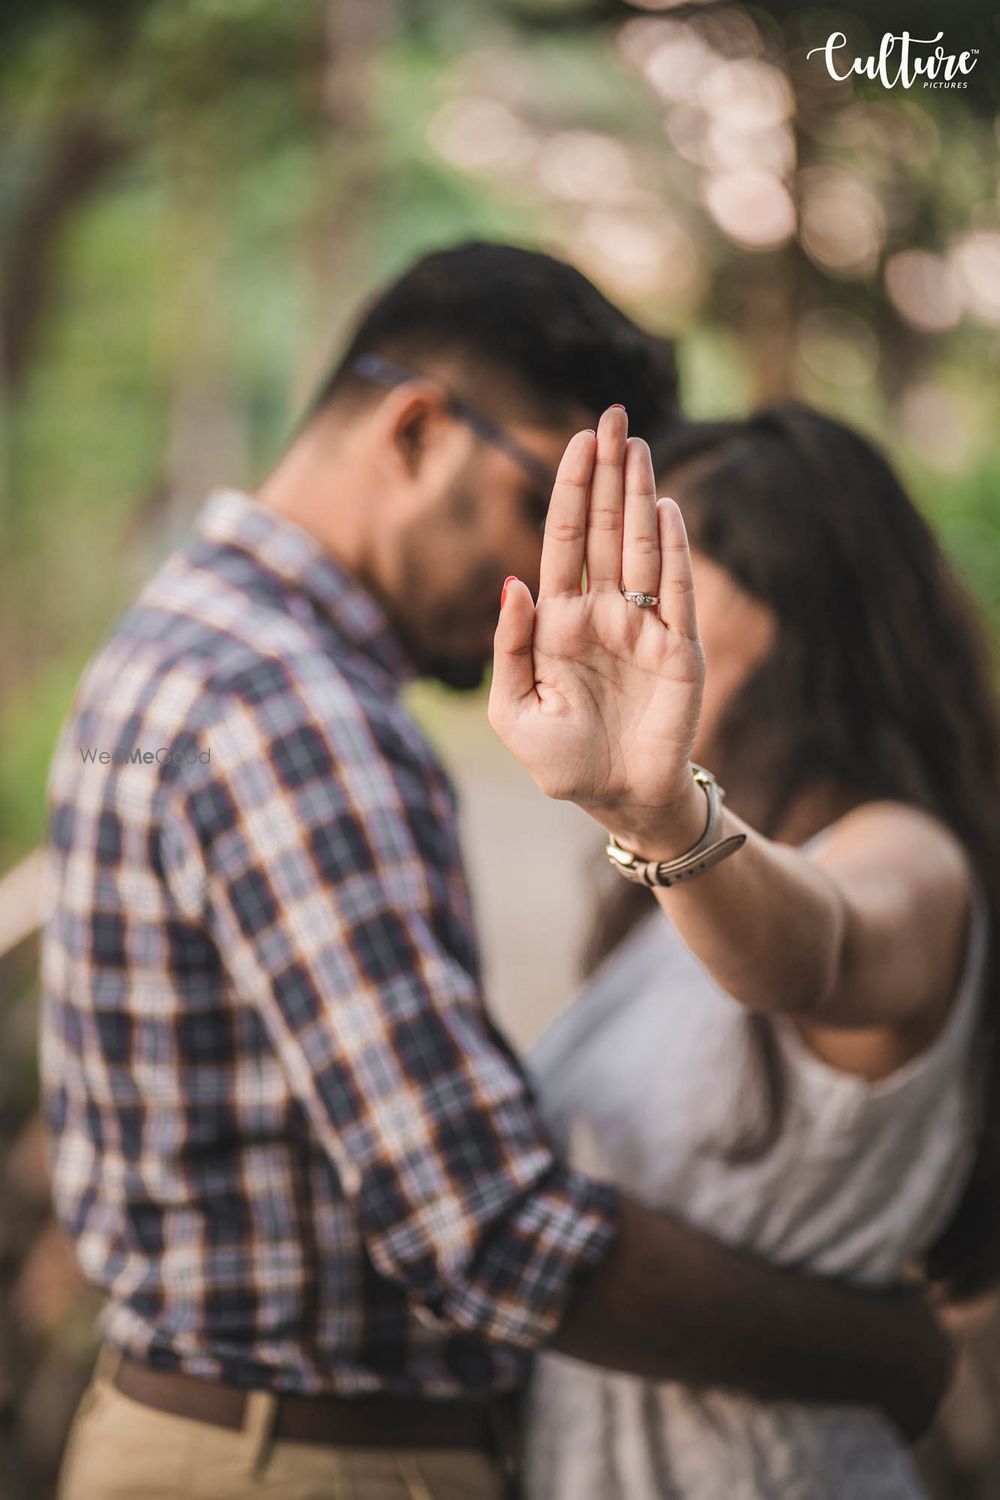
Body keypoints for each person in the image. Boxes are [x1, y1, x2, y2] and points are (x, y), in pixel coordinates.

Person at [42, 245, 947, 1500]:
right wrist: (885, 1354)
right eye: (547, 504)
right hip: (306, 1464)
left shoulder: (183, 642)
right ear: (417, 428)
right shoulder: (290, 704)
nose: (554, 581)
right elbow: (480, 1228)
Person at [486, 403, 1000, 1499]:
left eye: (654, 572)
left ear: (790, 605)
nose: (612, 612)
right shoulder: (659, 896)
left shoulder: (904, 853)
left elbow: (815, 954)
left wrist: (669, 821)